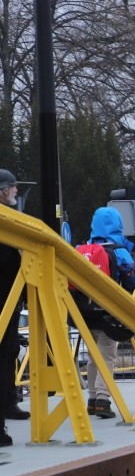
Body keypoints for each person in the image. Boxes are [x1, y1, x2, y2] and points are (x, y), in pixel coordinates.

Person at [78, 206, 135, 419]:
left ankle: (93, 400)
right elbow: (133, 281)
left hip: (84, 314)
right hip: (108, 313)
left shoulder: (82, 249)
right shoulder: (118, 250)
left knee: (94, 356)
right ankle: (103, 400)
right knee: (107, 355)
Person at [1, 169, 24, 446]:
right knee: (4, 353)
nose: (16, 191)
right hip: (5, 295)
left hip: (10, 297)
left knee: (9, 351)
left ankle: (9, 403)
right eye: (13, 187)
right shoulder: (6, 222)